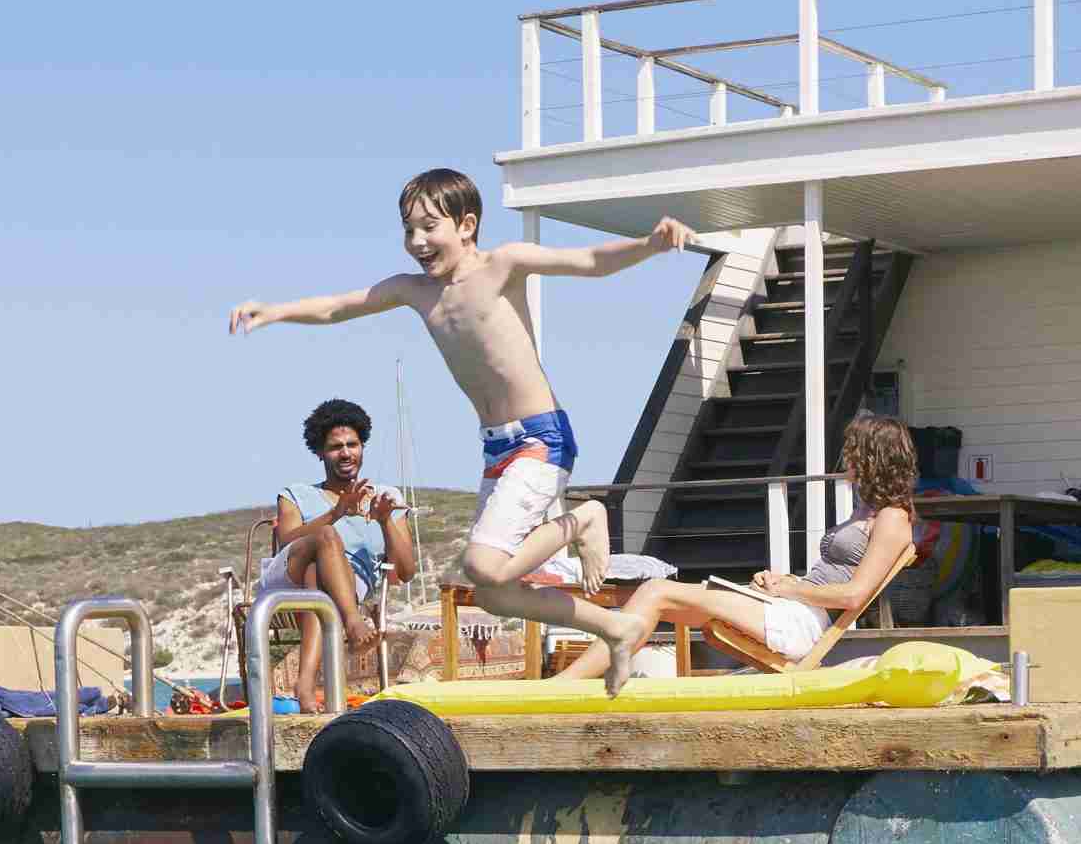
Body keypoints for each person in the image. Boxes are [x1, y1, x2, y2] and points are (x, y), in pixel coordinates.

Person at [229, 169, 692, 695]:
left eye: (429, 226)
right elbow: (341, 306)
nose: (417, 241)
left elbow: (588, 262)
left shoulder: (503, 265)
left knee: (481, 562)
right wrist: (276, 310)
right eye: (408, 230)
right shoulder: (417, 292)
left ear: (467, 224)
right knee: (489, 591)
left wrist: (650, 244)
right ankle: (617, 627)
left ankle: (585, 518)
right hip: (497, 448)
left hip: (542, 437)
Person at [556, 413, 918, 680]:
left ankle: (564, 685)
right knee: (654, 596)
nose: (846, 457)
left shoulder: (892, 517)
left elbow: (854, 596)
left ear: (875, 457)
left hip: (800, 623)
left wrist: (793, 588)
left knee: (655, 591)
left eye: (853, 450)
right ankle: (579, 682)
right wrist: (783, 582)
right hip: (788, 607)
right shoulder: (866, 509)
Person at [263, 399, 418, 711]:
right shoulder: (295, 494)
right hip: (287, 573)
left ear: (362, 447)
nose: (346, 453)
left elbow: (406, 571)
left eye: (353, 444)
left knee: (319, 576)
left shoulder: (386, 497)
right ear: (320, 452)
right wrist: (336, 513)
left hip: (342, 585)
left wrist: (386, 520)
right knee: (324, 539)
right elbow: (287, 542)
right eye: (335, 447)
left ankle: (304, 685)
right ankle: (353, 624)